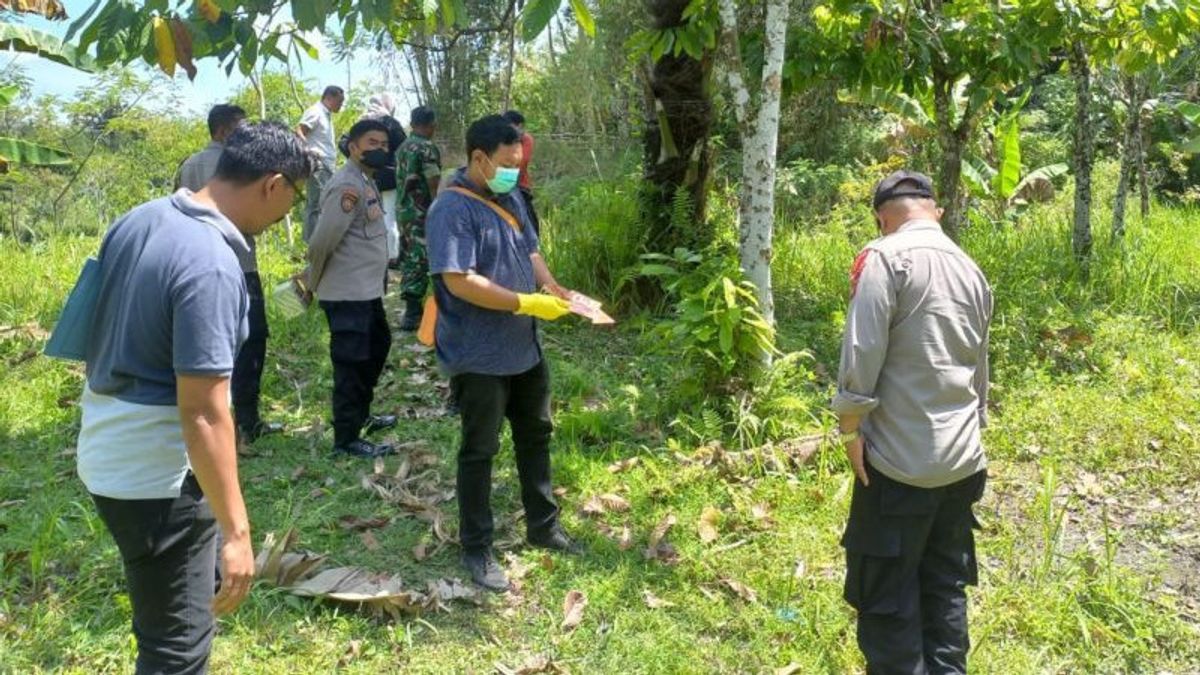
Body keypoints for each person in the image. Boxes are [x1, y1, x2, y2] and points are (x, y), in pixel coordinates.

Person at [77, 122, 312, 674]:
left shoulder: (141, 218)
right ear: (273, 184)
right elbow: (204, 409)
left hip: (106, 445)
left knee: (176, 607)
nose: (286, 217)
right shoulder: (212, 261)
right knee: (176, 649)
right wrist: (238, 533)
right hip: (158, 476)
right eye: (293, 200)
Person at [833, 170, 993, 674]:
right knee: (944, 585)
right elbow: (979, 369)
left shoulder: (883, 257)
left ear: (883, 217)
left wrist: (850, 429)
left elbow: (861, 355)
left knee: (887, 595)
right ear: (934, 210)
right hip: (963, 463)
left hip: (899, 466)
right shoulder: (970, 268)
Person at [426, 114, 580, 592]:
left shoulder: (509, 195)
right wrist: (522, 301)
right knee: (480, 449)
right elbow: (458, 280)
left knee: (536, 433)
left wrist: (550, 286)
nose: (515, 171)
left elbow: (530, 251)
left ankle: (543, 525)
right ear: (478, 157)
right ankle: (477, 546)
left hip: (524, 347)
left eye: (519, 163)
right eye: (507, 163)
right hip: (479, 354)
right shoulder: (451, 210)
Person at [177, 104, 282, 445]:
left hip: (195, 265)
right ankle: (246, 422)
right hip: (240, 264)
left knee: (206, 349)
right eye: (239, 129)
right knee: (251, 342)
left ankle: (223, 420)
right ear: (222, 131)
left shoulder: (189, 166)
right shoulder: (240, 167)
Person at [305, 118, 399, 459]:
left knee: (377, 348)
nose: (380, 150)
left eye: (385, 145)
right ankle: (346, 439)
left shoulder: (366, 181)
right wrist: (310, 283)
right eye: (372, 143)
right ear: (354, 146)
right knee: (351, 364)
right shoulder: (346, 185)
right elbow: (321, 241)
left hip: (366, 291)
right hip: (346, 295)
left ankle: (361, 416)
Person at [395, 105, 442, 330]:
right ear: (431, 124)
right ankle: (414, 314)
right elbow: (433, 182)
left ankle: (412, 308)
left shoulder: (403, 146)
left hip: (403, 210)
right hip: (422, 211)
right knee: (420, 258)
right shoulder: (426, 148)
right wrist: (440, 208)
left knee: (408, 254)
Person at [360, 93, 407, 269]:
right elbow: (404, 147)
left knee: (369, 216)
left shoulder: (361, 122)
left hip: (365, 176)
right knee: (390, 217)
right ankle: (392, 257)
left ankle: (370, 255)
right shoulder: (389, 123)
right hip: (388, 177)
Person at [297, 85, 345, 242]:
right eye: (339, 101)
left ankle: (320, 241)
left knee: (325, 204)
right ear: (329, 98)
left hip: (327, 165)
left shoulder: (326, 115)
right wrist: (310, 152)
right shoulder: (315, 111)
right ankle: (312, 244)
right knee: (316, 204)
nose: (341, 105)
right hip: (318, 165)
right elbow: (299, 131)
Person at [175, 104, 244, 192]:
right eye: (241, 130)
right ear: (223, 132)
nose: (246, 133)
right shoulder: (239, 165)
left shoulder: (189, 163)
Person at [503, 109, 539, 235]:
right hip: (500, 184)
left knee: (530, 223)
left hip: (519, 186)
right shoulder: (501, 140)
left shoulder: (526, 140)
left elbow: (522, 163)